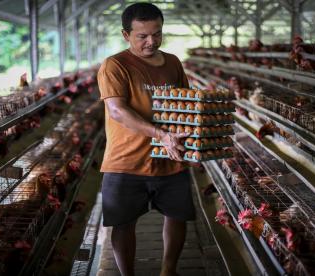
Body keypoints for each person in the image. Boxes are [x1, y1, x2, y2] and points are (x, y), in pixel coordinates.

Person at [97, 2, 196, 276]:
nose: (151, 41)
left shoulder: (173, 62)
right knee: (124, 223)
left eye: (157, 33)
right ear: (126, 35)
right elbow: (117, 110)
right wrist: (160, 134)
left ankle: (168, 270)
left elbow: (184, 105)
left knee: (177, 215)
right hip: (126, 160)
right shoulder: (115, 65)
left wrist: (197, 141)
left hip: (170, 156)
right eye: (142, 36)